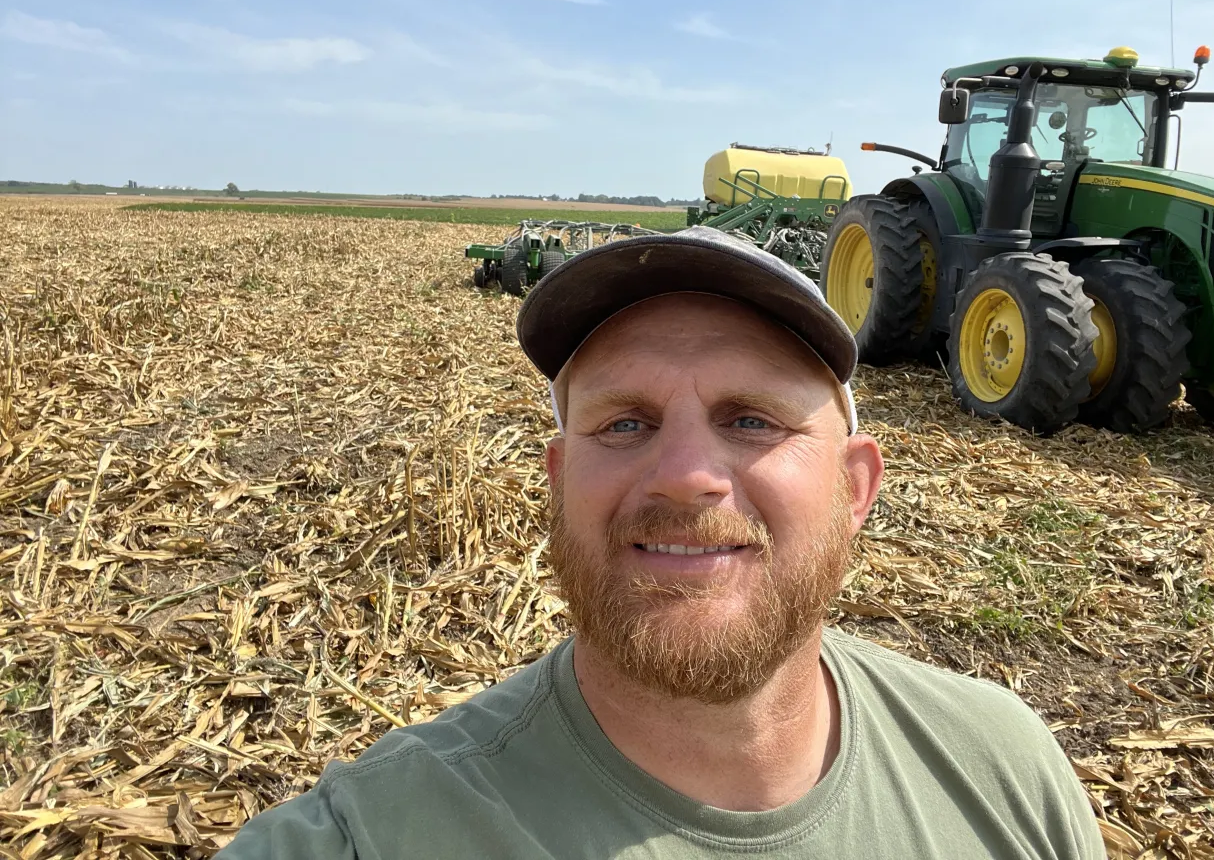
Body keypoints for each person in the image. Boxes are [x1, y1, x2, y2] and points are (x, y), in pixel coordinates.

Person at [218, 226, 1105, 859]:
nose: (684, 473)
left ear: (856, 486)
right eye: (627, 421)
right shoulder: (377, 834)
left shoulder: (1004, 770)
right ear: (560, 483)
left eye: (752, 419)